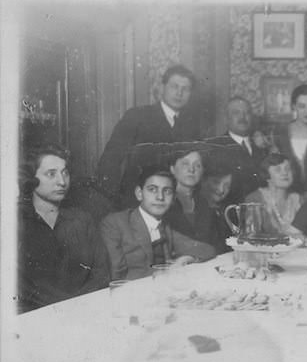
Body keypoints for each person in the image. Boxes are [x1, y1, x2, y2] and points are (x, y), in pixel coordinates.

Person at [18, 144, 110, 313]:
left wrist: (78, 308)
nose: (62, 182)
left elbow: (101, 274)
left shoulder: (82, 220)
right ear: (31, 178)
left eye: (65, 172)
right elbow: (21, 289)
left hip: (85, 312)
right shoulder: (16, 225)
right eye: (51, 174)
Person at [96, 65, 200, 201]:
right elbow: (110, 160)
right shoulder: (137, 116)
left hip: (175, 203)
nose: (179, 93)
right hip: (137, 201)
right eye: (174, 86)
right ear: (162, 88)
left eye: (185, 89)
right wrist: (114, 198)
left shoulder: (192, 126)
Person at [100, 166, 216, 280]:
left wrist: (186, 258)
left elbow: (207, 250)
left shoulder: (165, 226)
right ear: (139, 193)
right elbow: (117, 275)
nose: (160, 197)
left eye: (167, 191)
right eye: (152, 189)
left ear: (174, 198)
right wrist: (165, 272)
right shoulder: (115, 223)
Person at [204, 97, 267, 204]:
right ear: (226, 119)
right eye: (236, 113)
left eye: (246, 113)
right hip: (230, 213)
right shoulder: (215, 147)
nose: (242, 117)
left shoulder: (262, 147)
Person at [245, 154, 303, 236]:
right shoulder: (255, 199)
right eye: (278, 170)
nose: (285, 173)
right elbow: (251, 236)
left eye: (288, 169)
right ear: (267, 175)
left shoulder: (298, 199)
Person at [162, 148, 207, 242]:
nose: (191, 169)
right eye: (185, 164)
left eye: (197, 165)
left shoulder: (204, 203)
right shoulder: (163, 201)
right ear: (172, 169)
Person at [196, 155, 235, 254]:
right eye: (216, 182)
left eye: (227, 185)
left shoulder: (224, 210)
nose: (221, 190)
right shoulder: (196, 208)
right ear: (203, 180)